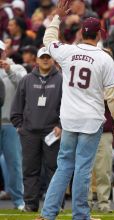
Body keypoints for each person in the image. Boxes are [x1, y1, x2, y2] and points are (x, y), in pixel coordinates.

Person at [35, 0, 114, 220]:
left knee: (64, 166)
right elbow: (112, 95)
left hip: (69, 119)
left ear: (83, 33)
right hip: (91, 120)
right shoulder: (105, 58)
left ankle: (48, 214)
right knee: (83, 169)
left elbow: (48, 41)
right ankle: (81, 214)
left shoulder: (67, 51)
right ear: (99, 35)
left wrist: (57, 17)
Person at [10, 47, 62, 212]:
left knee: (54, 169)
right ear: (37, 60)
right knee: (30, 169)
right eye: (43, 57)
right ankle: (31, 205)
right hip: (29, 133)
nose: (45, 60)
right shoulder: (26, 80)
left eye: (48, 57)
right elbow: (17, 105)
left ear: (52, 60)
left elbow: (67, 106)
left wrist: (61, 126)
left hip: (52, 132)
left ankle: (56, 205)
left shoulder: (61, 79)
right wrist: (19, 126)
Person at [0, 40, 26, 210]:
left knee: (14, 164)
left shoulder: (17, 68)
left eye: (0, 52)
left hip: (9, 123)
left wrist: (8, 70)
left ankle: (19, 202)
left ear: (5, 51)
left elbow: (24, 85)